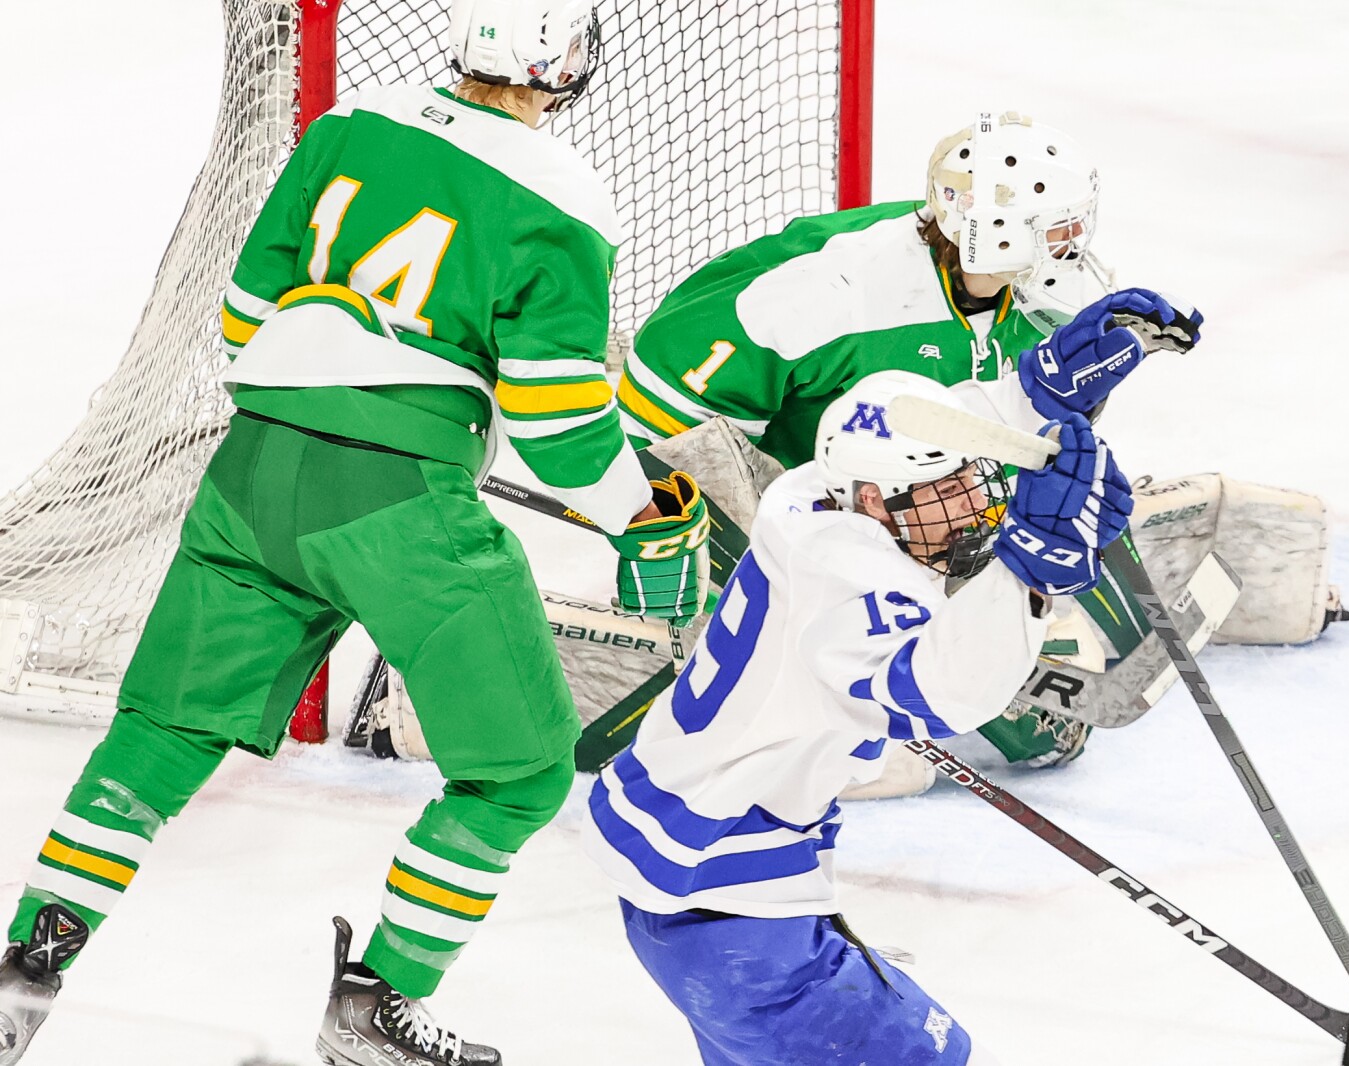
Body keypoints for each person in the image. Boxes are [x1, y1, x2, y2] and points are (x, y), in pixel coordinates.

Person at [0, 3, 707, 1064]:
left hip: (251, 474)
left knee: (160, 736)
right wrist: (640, 519)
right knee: (519, 774)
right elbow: (561, 422)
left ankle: (26, 967)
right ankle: (375, 1007)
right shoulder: (560, 191)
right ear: (561, 60)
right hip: (400, 509)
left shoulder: (349, 123)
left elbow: (246, 313)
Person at [612, 111, 1201, 768]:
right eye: (1056, 232)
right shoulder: (826, 290)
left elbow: (1001, 422)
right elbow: (661, 420)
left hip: (913, 494)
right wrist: (731, 553)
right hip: (814, 508)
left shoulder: (1038, 294)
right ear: (997, 237)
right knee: (1000, 721)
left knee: (1042, 705)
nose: (1072, 248)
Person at [582, 369, 1136, 1064]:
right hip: (727, 901)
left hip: (684, 860)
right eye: (948, 491)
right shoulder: (849, 586)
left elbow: (926, 425)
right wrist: (1029, 570)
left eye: (970, 479)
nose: (974, 505)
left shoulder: (811, 495)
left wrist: (1040, 389)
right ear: (874, 499)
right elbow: (939, 694)